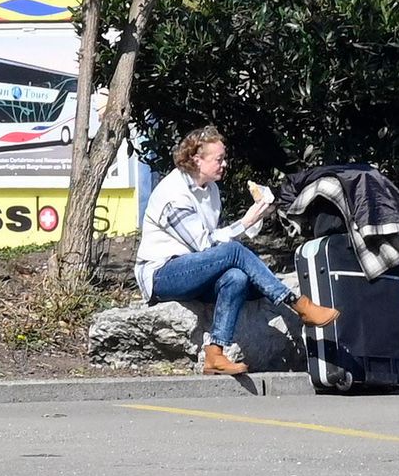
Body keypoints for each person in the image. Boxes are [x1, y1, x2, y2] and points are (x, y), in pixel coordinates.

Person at [138, 124, 334, 378]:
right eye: (219, 159)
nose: (225, 164)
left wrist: (254, 218)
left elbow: (212, 245)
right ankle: (296, 303)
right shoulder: (173, 194)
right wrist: (246, 222)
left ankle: (215, 353)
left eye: (224, 158)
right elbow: (206, 246)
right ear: (197, 159)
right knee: (233, 252)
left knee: (237, 277)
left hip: (194, 269)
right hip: (162, 274)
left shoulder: (211, 190)